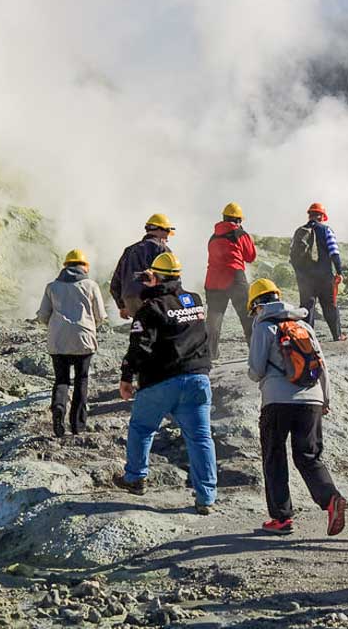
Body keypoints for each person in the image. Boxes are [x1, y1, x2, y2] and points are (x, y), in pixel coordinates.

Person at [112, 252, 218, 515]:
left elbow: (139, 346)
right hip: (197, 378)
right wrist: (157, 285)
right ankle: (206, 497)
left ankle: (135, 477)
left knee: (142, 428)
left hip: (161, 380)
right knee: (200, 438)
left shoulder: (151, 308)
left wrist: (127, 377)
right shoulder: (194, 300)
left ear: (155, 277)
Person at [245, 277, 348, 537]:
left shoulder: (263, 325)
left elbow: (257, 370)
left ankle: (281, 518)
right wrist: (325, 399)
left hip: (277, 402)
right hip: (311, 400)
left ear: (257, 304)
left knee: (274, 456)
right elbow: (321, 364)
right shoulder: (303, 324)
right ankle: (331, 499)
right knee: (309, 456)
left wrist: (258, 375)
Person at [36, 249, 108, 436]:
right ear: (84, 266)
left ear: (65, 266)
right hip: (83, 339)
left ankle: (59, 407)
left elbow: (43, 315)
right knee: (81, 380)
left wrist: (55, 328)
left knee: (61, 379)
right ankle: (78, 425)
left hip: (58, 341)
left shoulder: (52, 287)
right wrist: (90, 326)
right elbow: (100, 315)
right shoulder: (91, 285)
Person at [204, 202, 258, 360]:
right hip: (234, 277)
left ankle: (211, 355)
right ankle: (255, 352)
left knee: (214, 319)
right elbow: (250, 257)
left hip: (213, 280)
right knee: (247, 315)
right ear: (239, 220)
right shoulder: (239, 234)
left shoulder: (213, 236)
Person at [289, 202, 346, 341]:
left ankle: (307, 338)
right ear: (322, 216)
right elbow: (334, 252)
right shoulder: (326, 230)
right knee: (330, 306)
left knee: (307, 307)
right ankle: (337, 335)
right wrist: (339, 272)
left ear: (310, 215)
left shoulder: (300, 231)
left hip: (305, 278)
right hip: (324, 276)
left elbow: (292, 255)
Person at [110, 213, 174, 320]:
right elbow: (171, 279)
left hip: (130, 300)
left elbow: (115, 283)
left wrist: (122, 306)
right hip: (151, 299)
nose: (167, 238)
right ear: (161, 229)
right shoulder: (163, 250)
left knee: (140, 331)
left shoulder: (129, 250)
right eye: (167, 232)